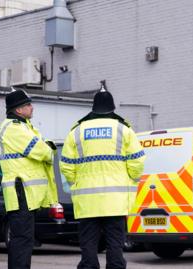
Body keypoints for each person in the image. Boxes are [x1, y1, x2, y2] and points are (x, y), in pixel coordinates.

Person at [60, 82, 145, 269]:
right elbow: (137, 162)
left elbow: (66, 165)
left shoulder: (76, 132)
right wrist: (129, 179)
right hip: (115, 200)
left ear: (93, 107)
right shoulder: (124, 130)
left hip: (87, 201)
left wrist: (77, 183)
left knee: (88, 243)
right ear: (112, 107)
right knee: (115, 242)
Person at [0, 89, 58, 269]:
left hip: (25, 193)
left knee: (24, 239)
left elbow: (44, 149)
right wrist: (47, 148)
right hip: (21, 192)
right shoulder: (14, 128)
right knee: (22, 240)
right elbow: (43, 152)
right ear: (18, 110)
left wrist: (46, 148)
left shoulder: (24, 126)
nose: (32, 107)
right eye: (27, 105)